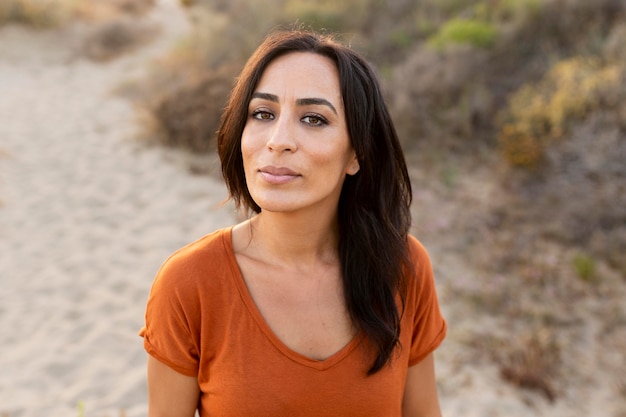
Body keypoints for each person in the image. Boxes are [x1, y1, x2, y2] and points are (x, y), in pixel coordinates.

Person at [140, 29, 447, 417]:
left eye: (314, 119)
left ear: (356, 153)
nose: (279, 140)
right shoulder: (189, 284)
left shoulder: (403, 267)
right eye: (263, 114)